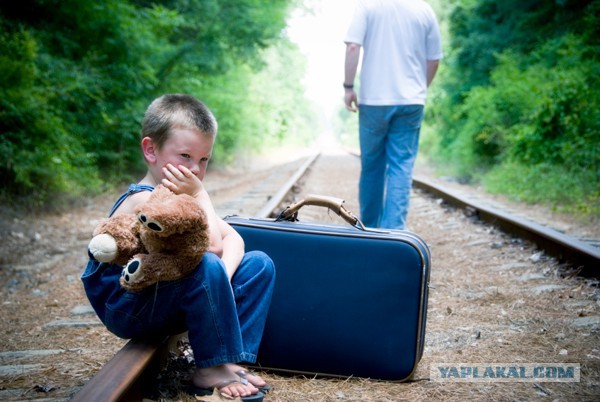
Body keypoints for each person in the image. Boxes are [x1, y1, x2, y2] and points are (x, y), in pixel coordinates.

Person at [81, 94, 275, 401]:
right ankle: (209, 370)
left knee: (259, 264)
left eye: (203, 159)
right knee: (206, 264)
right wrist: (201, 195)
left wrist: (219, 283)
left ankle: (230, 360)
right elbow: (212, 246)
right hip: (128, 306)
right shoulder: (144, 200)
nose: (195, 169)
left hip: (162, 295)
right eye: (185, 156)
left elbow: (234, 239)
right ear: (151, 150)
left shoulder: (182, 198)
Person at [343, 0, 443, 230]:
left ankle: (369, 229)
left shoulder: (367, 6)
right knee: (401, 166)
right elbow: (434, 59)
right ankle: (394, 232)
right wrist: (419, 88)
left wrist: (348, 87)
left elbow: (352, 47)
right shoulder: (424, 9)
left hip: (374, 101)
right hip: (411, 102)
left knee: (372, 165)